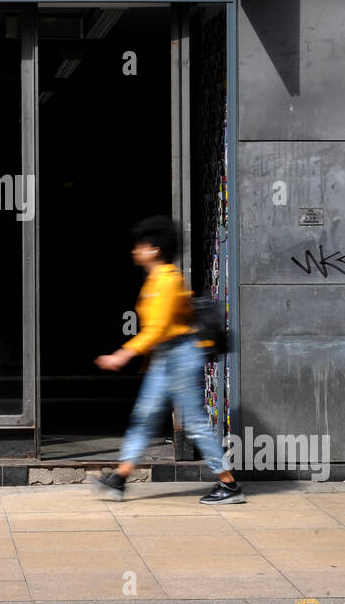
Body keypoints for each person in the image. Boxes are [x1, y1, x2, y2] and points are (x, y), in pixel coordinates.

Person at [92, 216, 244, 505]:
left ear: (154, 249)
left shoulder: (167, 279)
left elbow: (157, 328)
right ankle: (120, 479)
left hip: (181, 355)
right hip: (166, 357)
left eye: (140, 245)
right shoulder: (156, 279)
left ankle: (229, 484)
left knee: (195, 423)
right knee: (145, 417)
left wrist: (123, 354)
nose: (135, 250)